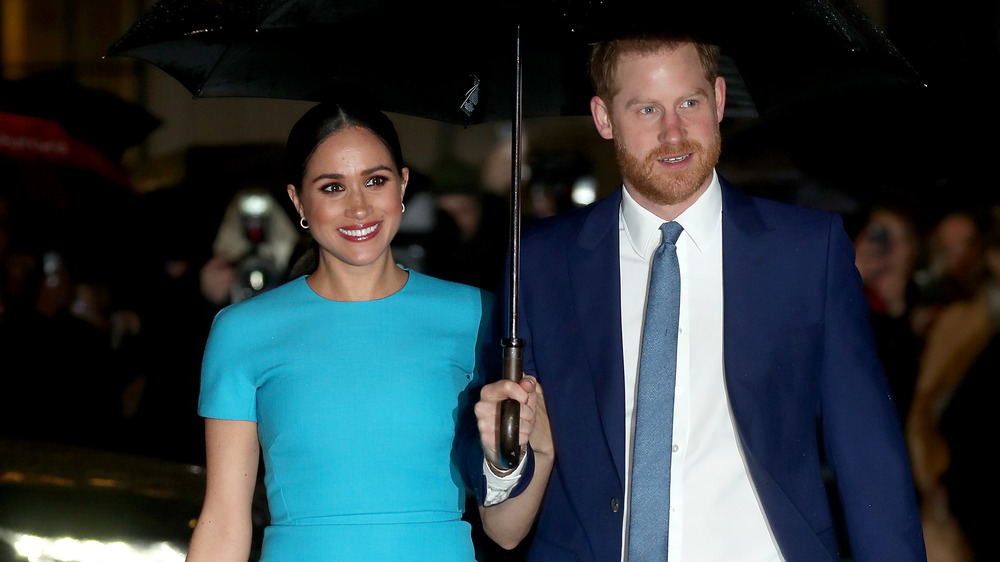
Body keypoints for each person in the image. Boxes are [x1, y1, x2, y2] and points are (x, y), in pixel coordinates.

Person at [476, 33, 925, 560]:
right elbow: (509, 480)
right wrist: (504, 454)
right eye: (646, 109)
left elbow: (868, 457)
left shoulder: (807, 252)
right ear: (604, 118)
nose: (674, 132)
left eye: (689, 102)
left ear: (718, 99)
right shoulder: (541, 263)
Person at [186, 101, 549, 561]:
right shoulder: (242, 331)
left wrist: (529, 448)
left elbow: (506, 530)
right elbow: (223, 522)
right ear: (298, 201)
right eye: (332, 187)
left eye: (375, 181)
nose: (358, 207)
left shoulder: (479, 315)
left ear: (403, 185)